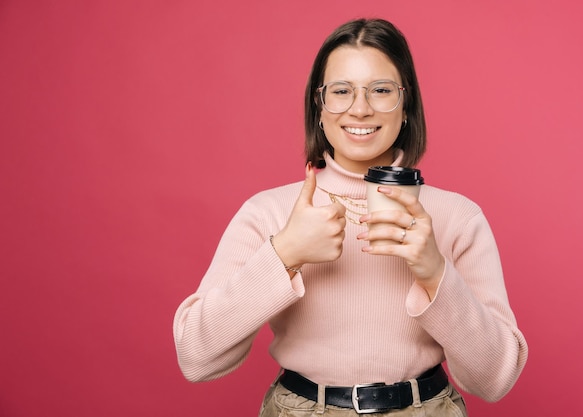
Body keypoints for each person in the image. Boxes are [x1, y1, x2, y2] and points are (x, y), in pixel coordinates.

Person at [173, 18, 528, 416]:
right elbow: (195, 357)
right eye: (341, 91)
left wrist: (434, 272)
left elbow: (495, 380)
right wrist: (284, 253)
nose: (360, 109)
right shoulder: (268, 213)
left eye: (380, 90)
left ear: (406, 104)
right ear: (319, 106)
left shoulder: (456, 217)